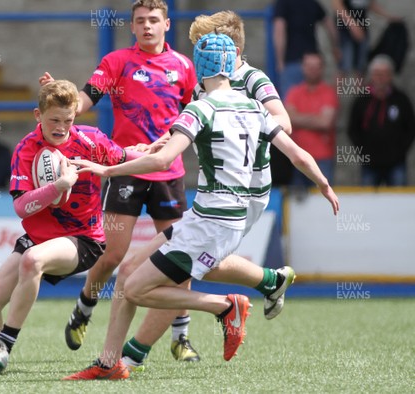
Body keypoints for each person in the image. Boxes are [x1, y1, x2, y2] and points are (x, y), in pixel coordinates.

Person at [63, 33, 339, 380]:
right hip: (215, 216)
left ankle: (226, 306)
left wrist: (108, 169)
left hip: (211, 222)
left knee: (134, 287)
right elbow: (297, 153)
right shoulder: (253, 106)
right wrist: (324, 183)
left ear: (199, 65)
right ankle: (109, 363)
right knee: (131, 267)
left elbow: (164, 159)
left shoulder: (202, 107)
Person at [115, 10, 296, 372]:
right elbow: (189, 123)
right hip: (214, 195)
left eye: (204, 47)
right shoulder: (205, 85)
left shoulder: (253, 80)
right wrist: (162, 142)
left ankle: (132, 356)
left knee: (181, 267)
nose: (199, 55)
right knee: (168, 264)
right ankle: (270, 279)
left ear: (233, 49)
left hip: (244, 193)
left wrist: (244, 120)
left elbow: (285, 123)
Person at [39, 0, 201, 362]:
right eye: (140, 21)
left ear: (167, 25)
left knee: (181, 254)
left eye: (153, 20)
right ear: (131, 26)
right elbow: (86, 98)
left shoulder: (184, 67)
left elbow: (195, 115)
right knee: (112, 253)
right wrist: (61, 99)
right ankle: (84, 306)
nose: (147, 26)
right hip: (125, 167)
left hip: (170, 174)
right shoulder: (117, 62)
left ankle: (182, 336)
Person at [0, 80, 149, 374]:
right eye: (54, 120)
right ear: (37, 116)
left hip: (83, 239)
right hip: (38, 236)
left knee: (34, 260)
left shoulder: (89, 140)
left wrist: (153, 151)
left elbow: (122, 156)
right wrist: (57, 187)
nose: (61, 127)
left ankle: (5, 345)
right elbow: (20, 206)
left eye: (68, 120)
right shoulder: (26, 150)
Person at [347, 55, 415, 186]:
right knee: (367, 202)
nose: (380, 78)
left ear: (391, 76)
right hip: (369, 163)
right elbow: (353, 129)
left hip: (396, 163)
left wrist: (400, 151)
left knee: (398, 200)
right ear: (371, 76)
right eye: (377, 74)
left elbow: (410, 128)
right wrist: (363, 152)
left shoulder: (401, 99)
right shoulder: (362, 99)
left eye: (384, 74)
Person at [285, 53, 339, 187]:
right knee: (297, 203)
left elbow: (325, 123)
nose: (312, 70)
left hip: (322, 158)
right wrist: (315, 118)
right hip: (297, 157)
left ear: (322, 68)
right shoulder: (294, 92)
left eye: (316, 66)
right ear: (302, 67)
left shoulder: (329, 92)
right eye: (309, 66)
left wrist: (299, 118)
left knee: (324, 200)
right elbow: (288, 120)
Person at [273, 0, 338, 100]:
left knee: (290, 102)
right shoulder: (312, 2)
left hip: (292, 60)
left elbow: (279, 29)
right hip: (313, 60)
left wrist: (280, 61)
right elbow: (329, 24)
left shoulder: (283, 3)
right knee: (314, 101)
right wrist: (335, 47)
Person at [333, 0, 402, 78]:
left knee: (361, 67)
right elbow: (337, 6)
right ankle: (336, 90)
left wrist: (389, 16)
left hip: (362, 28)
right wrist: (352, 25)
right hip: (344, 30)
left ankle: (358, 90)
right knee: (343, 67)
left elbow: (371, 4)